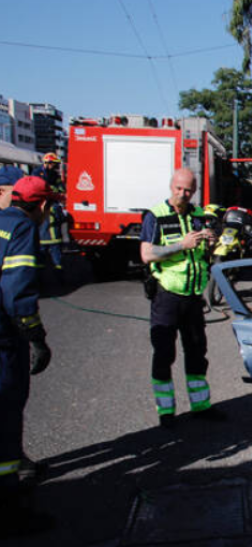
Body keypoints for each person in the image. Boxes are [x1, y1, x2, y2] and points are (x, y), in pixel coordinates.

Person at [0, 176, 61, 538]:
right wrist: (36, 337)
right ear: (41, 206)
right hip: (4, 340)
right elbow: (17, 293)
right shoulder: (24, 228)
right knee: (6, 413)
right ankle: (10, 507)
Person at [140, 168, 224, 428]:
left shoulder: (200, 215)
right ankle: (166, 412)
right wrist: (181, 245)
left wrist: (210, 242)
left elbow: (204, 254)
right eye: (178, 188)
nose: (182, 194)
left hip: (193, 297)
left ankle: (201, 405)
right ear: (171, 186)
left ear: (194, 190)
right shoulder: (156, 215)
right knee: (164, 353)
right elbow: (146, 254)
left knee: (197, 352)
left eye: (188, 190)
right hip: (167, 295)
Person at [33, 154, 66, 286]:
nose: (56, 167)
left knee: (53, 252)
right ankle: (41, 279)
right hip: (46, 220)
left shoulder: (54, 176)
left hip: (50, 218)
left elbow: (61, 189)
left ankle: (57, 277)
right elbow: (39, 190)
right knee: (44, 252)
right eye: (54, 164)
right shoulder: (37, 174)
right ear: (48, 163)